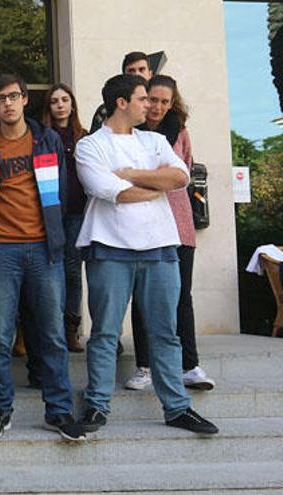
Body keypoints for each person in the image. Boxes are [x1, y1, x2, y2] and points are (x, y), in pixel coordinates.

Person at [75, 74, 218, 435]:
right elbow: (110, 191)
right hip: (109, 250)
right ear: (121, 103)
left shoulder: (155, 140)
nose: (149, 105)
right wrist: (155, 185)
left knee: (166, 334)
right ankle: (96, 406)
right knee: (105, 334)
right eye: (142, 98)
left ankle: (177, 409)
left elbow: (180, 178)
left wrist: (133, 175)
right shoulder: (91, 146)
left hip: (160, 249)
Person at [0, 74, 86, 442]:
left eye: (14, 96)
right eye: (1, 99)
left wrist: (58, 240)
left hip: (44, 249)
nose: (8, 104)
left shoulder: (47, 140)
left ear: (24, 99)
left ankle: (59, 411)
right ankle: (0, 411)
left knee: (52, 335)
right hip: (0, 250)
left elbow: (61, 196)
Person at [123, 75, 215, 391]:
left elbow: (183, 175)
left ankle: (190, 365)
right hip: (143, 223)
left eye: (165, 101)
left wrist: (151, 178)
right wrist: (160, 179)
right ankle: (144, 367)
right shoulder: (129, 133)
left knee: (181, 297)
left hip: (178, 222)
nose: (158, 107)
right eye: (153, 100)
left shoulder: (181, 131)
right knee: (142, 298)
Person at [42, 83, 88, 353]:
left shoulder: (84, 136)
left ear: (72, 104)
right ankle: (50, 328)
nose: (60, 105)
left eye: (64, 100)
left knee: (72, 271)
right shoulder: (42, 137)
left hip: (77, 211)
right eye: (54, 101)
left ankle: (71, 329)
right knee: (51, 271)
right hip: (49, 211)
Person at [89, 52, 154, 134]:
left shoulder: (161, 104)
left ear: (150, 74)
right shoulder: (107, 109)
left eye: (141, 70)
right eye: (131, 71)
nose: (137, 74)